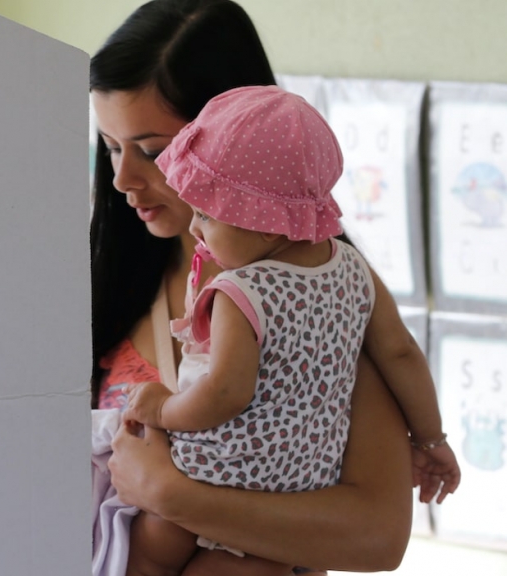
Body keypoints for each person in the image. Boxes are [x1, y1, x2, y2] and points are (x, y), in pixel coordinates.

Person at [89, 0, 415, 573]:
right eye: (111, 147)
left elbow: (378, 537)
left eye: (153, 150)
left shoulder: (318, 298)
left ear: (243, 145)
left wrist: (171, 497)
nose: (122, 180)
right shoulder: (99, 279)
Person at [117, 85, 461, 576]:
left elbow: (226, 393)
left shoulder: (243, 292)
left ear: (263, 222)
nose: (196, 229)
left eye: (209, 215)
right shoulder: (354, 270)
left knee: (149, 551)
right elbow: (402, 353)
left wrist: (163, 409)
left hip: (219, 475)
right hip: (303, 486)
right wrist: (430, 441)